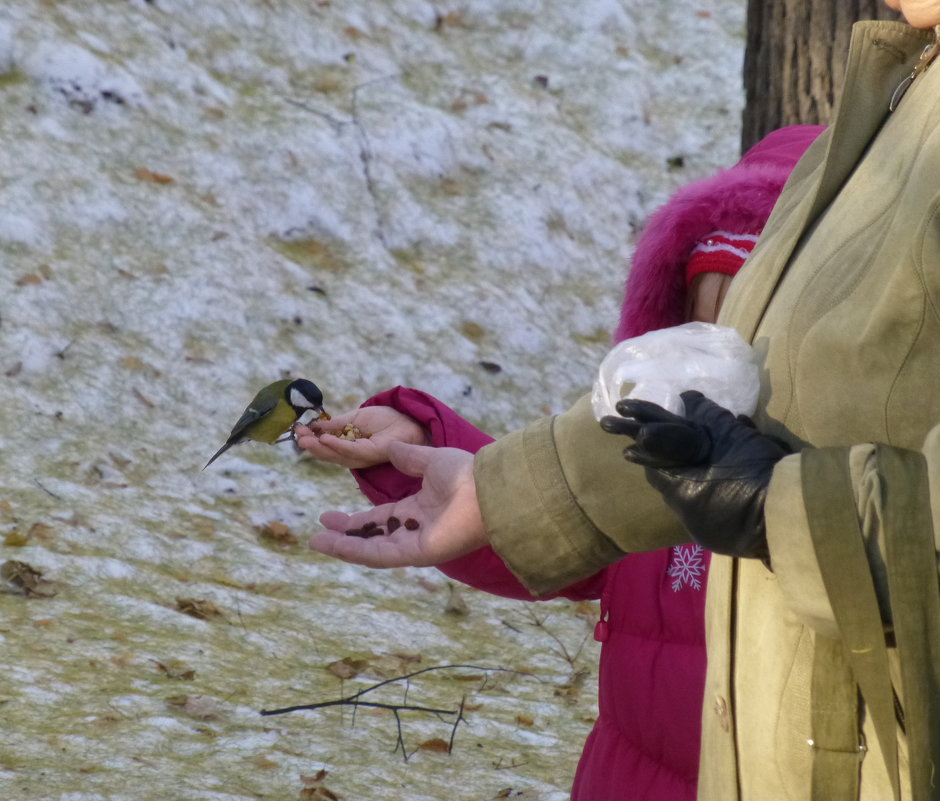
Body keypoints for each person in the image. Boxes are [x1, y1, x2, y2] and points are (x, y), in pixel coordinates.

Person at [308, 5, 940, 799]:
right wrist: (446, 462)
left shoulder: (736, 469)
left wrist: (779, 509)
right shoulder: (668, 459)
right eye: (701, 310)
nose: (715, 341)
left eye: (752, 315)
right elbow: (567, 532)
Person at [299, 126, 823, 800]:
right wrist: (421, 451)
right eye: (695, 324)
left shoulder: (811, 491)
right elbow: (550, 522)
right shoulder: (644, 448)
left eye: (748, 328)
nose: (711, 358)